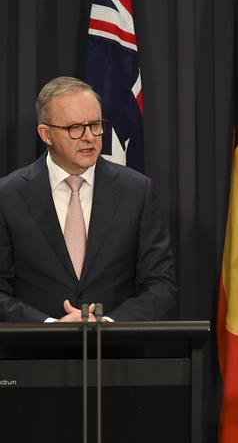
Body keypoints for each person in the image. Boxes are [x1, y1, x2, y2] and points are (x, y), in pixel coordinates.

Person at [0, 76, 177, 322]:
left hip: (114, 355)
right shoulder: (8, 195)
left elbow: (161, 285)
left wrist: (106, 324)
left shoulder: (136, 191)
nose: (89, 137)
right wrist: (47, 327)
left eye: (95, 124)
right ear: (46, 134)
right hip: (35, 356)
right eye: (75, 128)